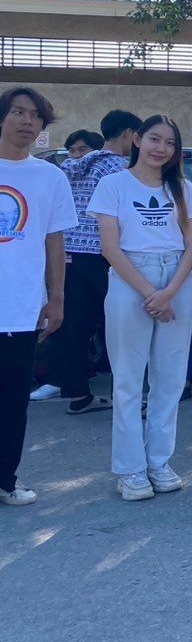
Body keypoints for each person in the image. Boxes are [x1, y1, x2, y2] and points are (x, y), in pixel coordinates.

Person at [89, 115, 192, 500]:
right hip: (129, 278)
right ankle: (131, 469)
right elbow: (109, 247)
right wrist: (149, 293)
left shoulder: (182, 187)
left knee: (169, 379)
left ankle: (159, 461)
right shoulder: (113, 184)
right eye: (154, 139)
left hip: (177, 280)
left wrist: (169, 292)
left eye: (170, 143)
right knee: (127, 379)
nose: (161, 148)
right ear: (137, 139)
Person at [37, 109, 140, 413]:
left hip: (71, 253)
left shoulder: (69, 167)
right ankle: (126, 397)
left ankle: (77, 393)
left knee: (75, 327)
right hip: (107, 254)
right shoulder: (119, 169)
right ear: (128, 135)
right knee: (120, 326)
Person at [0, 88, 75, 506]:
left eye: (35, 116)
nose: (27, 122)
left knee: (13, 403)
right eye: (18, 112)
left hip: (21, 308)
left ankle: (6, 480)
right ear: (2, 118)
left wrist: (56, 299)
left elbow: (54, 241)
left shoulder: (50, 176)